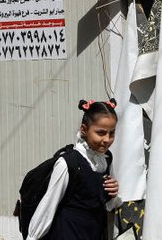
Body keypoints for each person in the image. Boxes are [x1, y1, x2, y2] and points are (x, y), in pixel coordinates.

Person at [26, 99, 122, 240]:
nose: (107, 139)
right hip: (67, 233)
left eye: (111, 133)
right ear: (84, 130)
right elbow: (47, 208)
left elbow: (108, 205)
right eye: (100, 133)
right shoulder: (68, 163)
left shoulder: (106, 159)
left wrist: (113, 193)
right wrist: (32, 237)